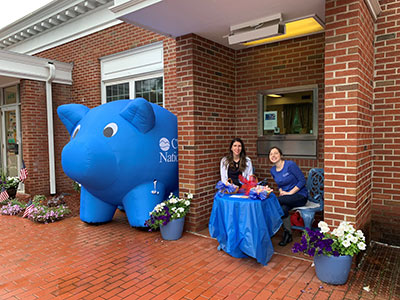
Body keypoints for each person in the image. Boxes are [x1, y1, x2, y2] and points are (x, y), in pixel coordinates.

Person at [269, 146, 307, 246]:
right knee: (283, 208)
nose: (273, 155)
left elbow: (302, 181)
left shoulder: (290, 165)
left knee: (273, 201)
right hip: (286, 198)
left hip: (300, 196)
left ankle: (269, 228)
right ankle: (288, 234)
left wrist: (290, 193)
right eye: (271, 154)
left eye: (276, 153)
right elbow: (279, 185)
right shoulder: (273, 170)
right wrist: (281, 191)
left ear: (281, 155)